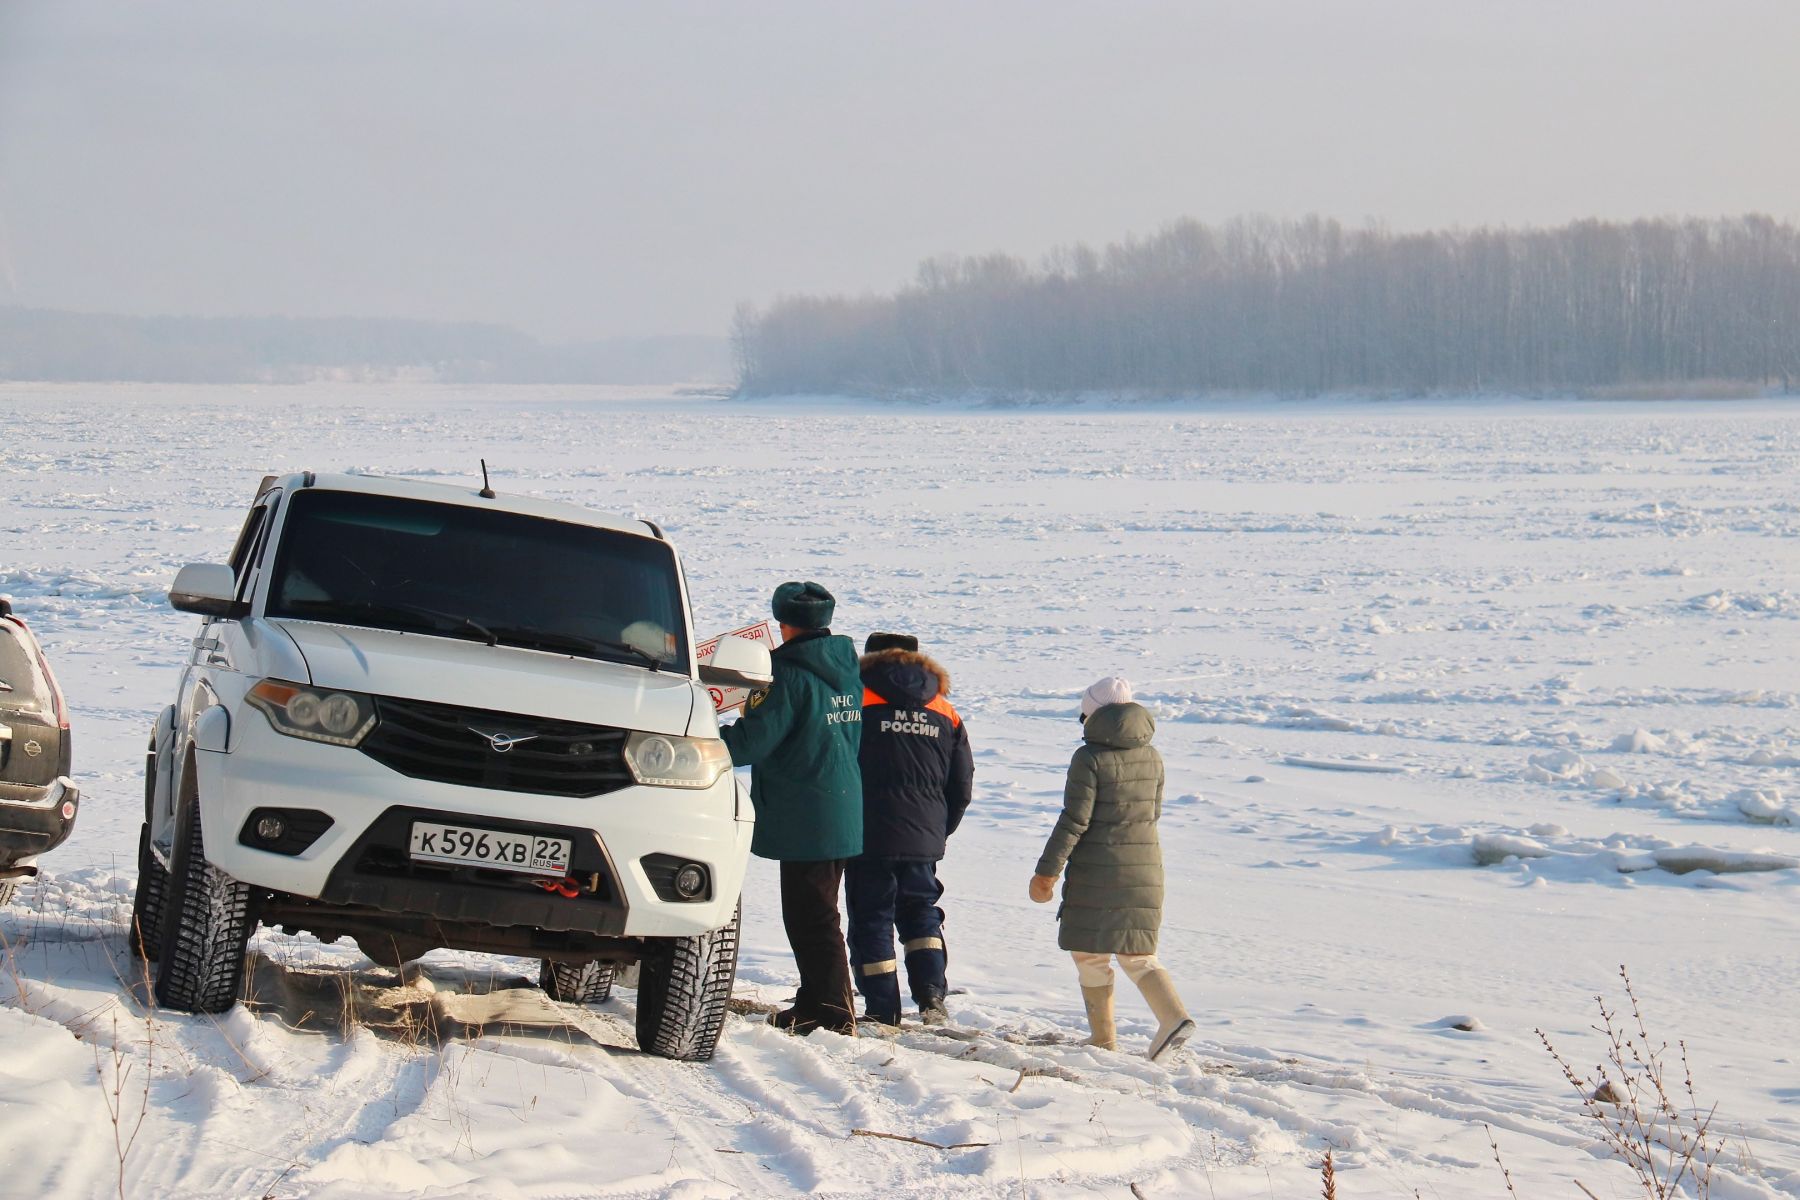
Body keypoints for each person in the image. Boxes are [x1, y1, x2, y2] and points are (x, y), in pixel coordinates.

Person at [719, 581, 864, 1035]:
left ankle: (833, 1012)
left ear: (784, 624)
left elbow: (754, 741)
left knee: (810, 915)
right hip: (839, 806)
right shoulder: (846, 670)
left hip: (807, 811)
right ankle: (818, 999)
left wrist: (705, 738)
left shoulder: (786, 674)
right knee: (819, 912)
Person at [1029, 676, 1196, 1062]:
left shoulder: (1089, 757)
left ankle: (1105, 1038)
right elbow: (1152, 812)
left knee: (1090, 953)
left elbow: (1075, 820)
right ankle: (1172, 1017)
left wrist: (1046, 873)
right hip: (1146, 866)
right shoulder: (1152, 755)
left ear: (1093, 713)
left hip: (1098, 869)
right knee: (1136, 952)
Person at [846, 631, 974, 1027]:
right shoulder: (945, 710)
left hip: (867, 834)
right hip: (924, 838)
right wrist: (938, 829)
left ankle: (883, 1008)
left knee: (872, 918)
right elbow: (962, 783)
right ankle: (932, 996)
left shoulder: (855, 701)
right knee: (922, 916)